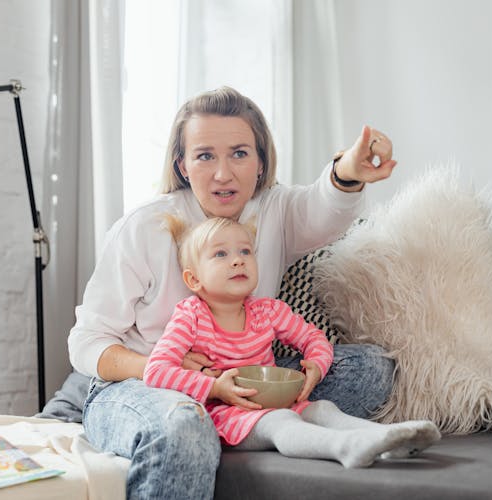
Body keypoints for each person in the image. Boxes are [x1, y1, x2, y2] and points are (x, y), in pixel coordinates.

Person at [67, 86, 398, 499]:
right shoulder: (144, 228)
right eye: (205, 155)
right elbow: (85, 342)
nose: (223, 173)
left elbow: (323, 208)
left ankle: (234, 425)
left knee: (371, 369)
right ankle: (208, 428)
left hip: (241, 380)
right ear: (183, 165)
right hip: (146, 387)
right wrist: (165, 366)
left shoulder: (274, 209)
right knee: (184, 425)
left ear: (261, 163)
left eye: (240, 153)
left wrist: (348, 170)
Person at [144, 216, 439, 467]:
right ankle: (345, 447)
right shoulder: (191, 316)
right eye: (221, 254)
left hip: (275, 403)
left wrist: (318, 365)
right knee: (280, 422)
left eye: (245, 251)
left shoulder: (267, 311)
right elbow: (155, 371)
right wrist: (215, 387)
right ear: (194, 280)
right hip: (226, 417)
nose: (238, 260)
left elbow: (313, 338)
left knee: (322, 408)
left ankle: (385, 439)